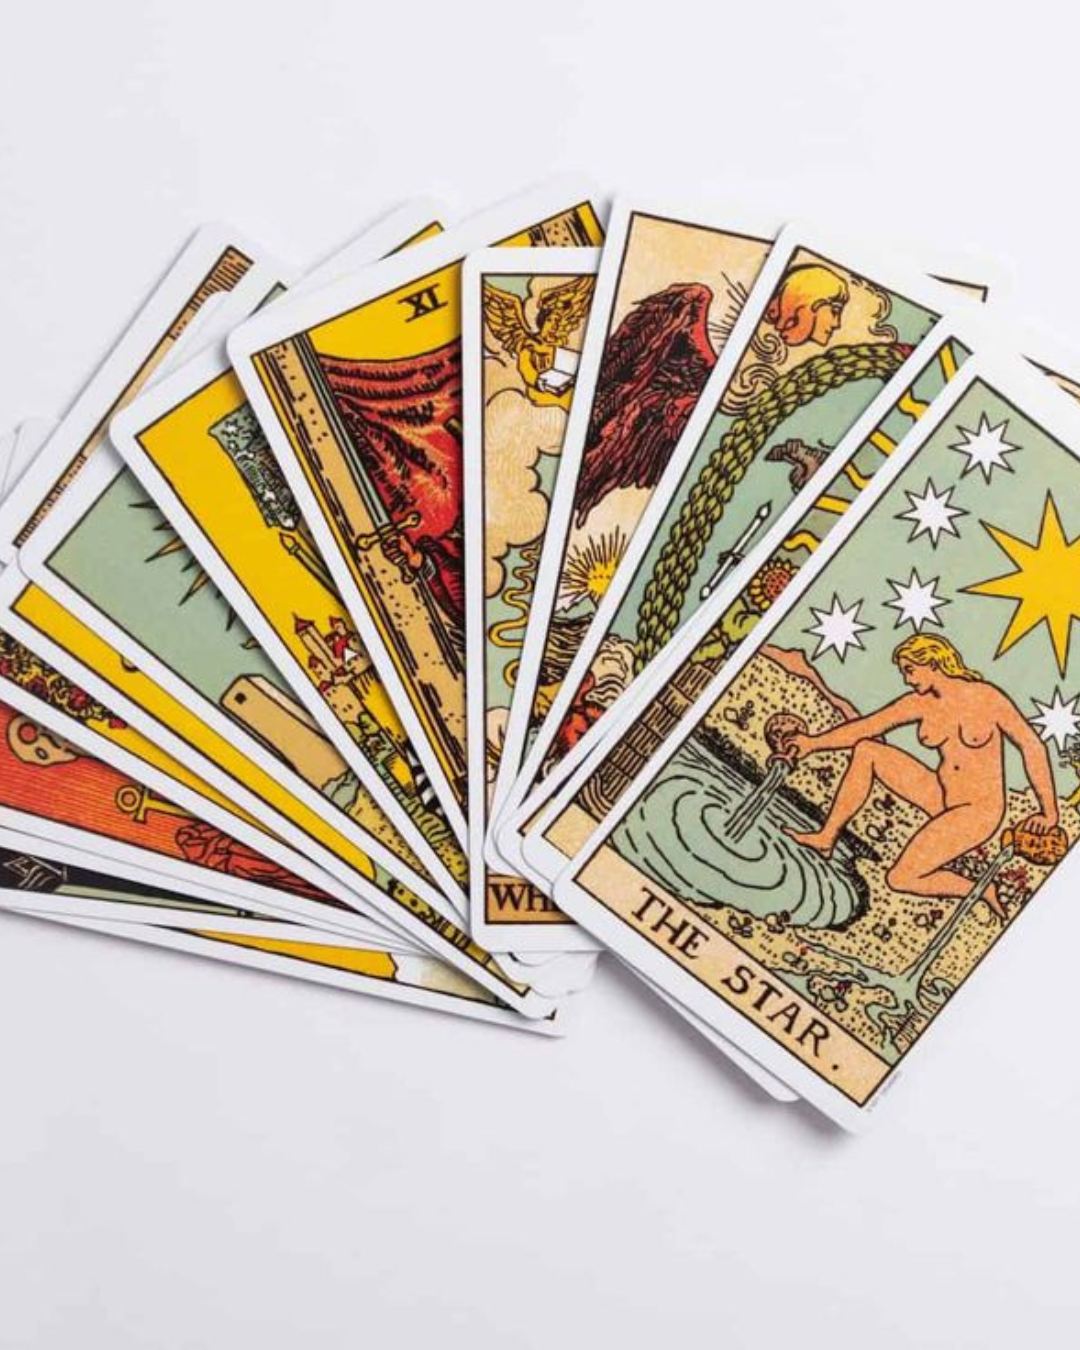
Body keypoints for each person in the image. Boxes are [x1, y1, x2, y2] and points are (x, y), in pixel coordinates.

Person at [781, 633, 1059, 919]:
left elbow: (1032, 746)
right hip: (941, 794)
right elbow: (865, 727)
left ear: (933, 664)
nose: (907, 679)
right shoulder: (917, 702)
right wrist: (812, 743)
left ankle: (981, 889)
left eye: (910, 670)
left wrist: (1049, 812)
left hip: (978, 812)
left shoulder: (986, 697)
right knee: (867, 751)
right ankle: (826, 837)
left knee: (900, 878)